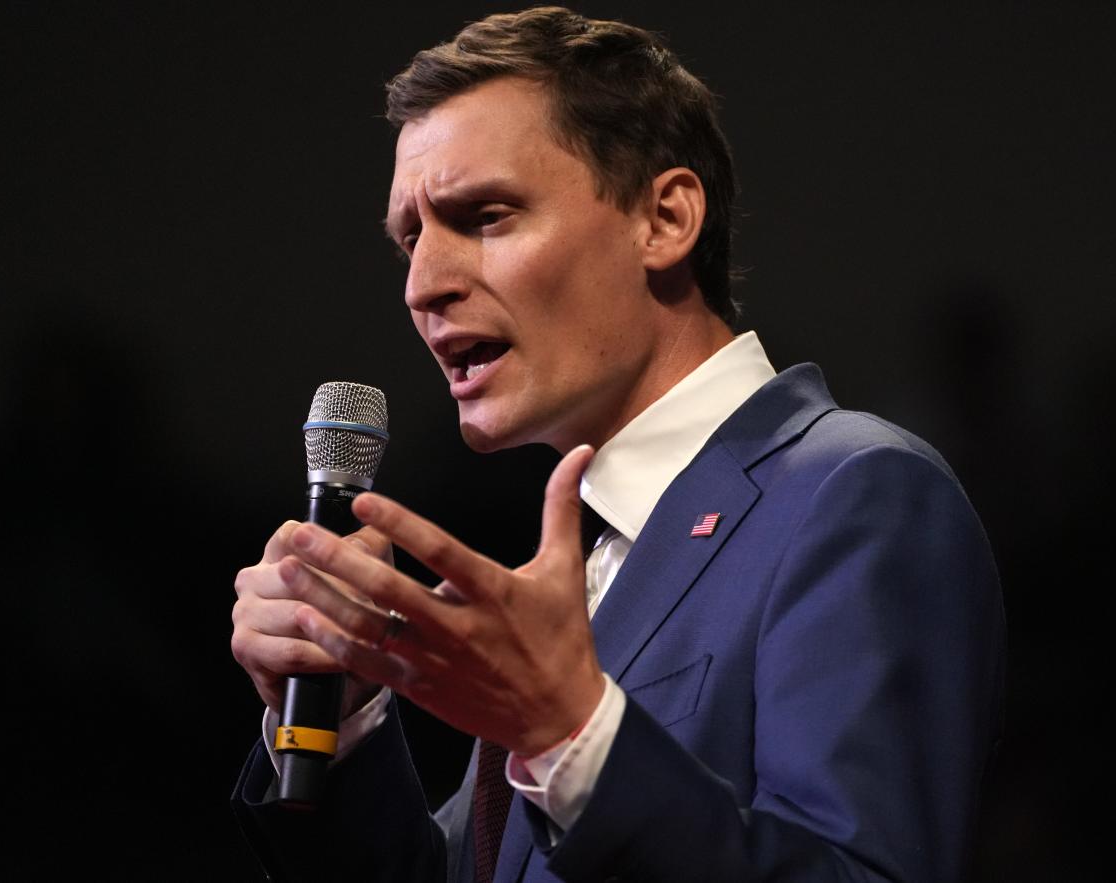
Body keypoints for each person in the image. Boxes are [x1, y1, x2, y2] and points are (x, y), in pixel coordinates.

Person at [230, 7, 1005, 882]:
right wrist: (348, 710)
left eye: (484, 215)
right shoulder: (589, 555)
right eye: (410, 239)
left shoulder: (855, 495)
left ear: (665, 220)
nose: (423, 285)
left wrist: (573, 735)